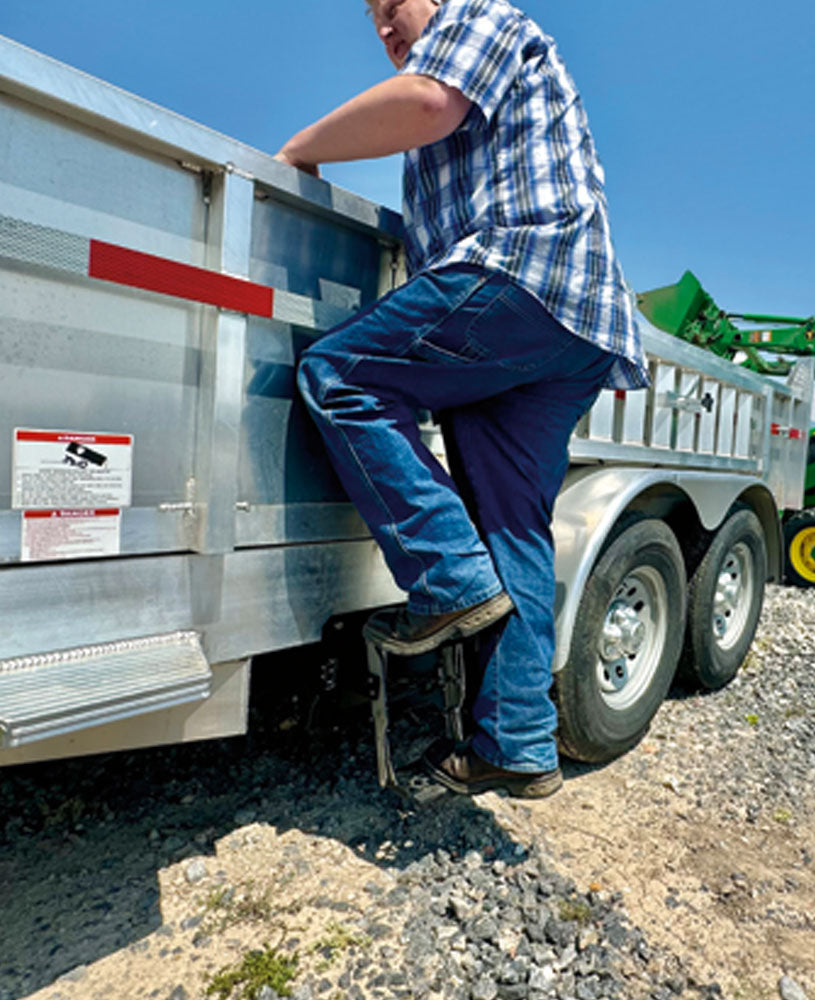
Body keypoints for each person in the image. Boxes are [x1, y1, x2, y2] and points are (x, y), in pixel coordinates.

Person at [276, 0, 648, 798]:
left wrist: (299, 153)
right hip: (569, 328)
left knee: (342, 376)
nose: (383, 26)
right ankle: (515, 743)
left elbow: (425, 101)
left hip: (525, 275)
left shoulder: (481, 16)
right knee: (510, 522)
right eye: (370, 20)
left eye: (390, 4)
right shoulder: (467, 92)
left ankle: (446, 581)